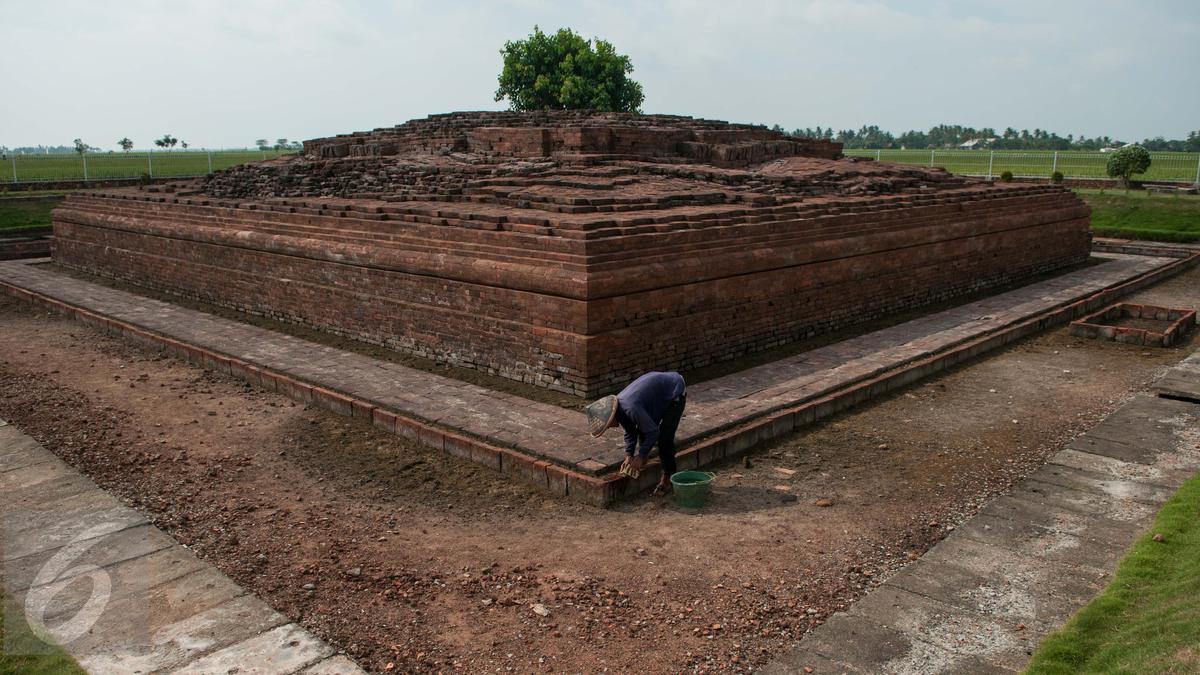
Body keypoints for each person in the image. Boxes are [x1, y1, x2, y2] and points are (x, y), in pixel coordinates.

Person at [586, 371, 686, 496]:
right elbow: (630, 431)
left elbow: (653, 433)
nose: (610, 427)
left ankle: (667, 478)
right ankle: (644, 459)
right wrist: (629, 455)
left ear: (610, 418)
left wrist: (639, 456)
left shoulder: (630, 408)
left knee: (664, 439)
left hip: (674, 390)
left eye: (608, 425)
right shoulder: (619, 409)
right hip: (654, 398)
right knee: (644, 433)